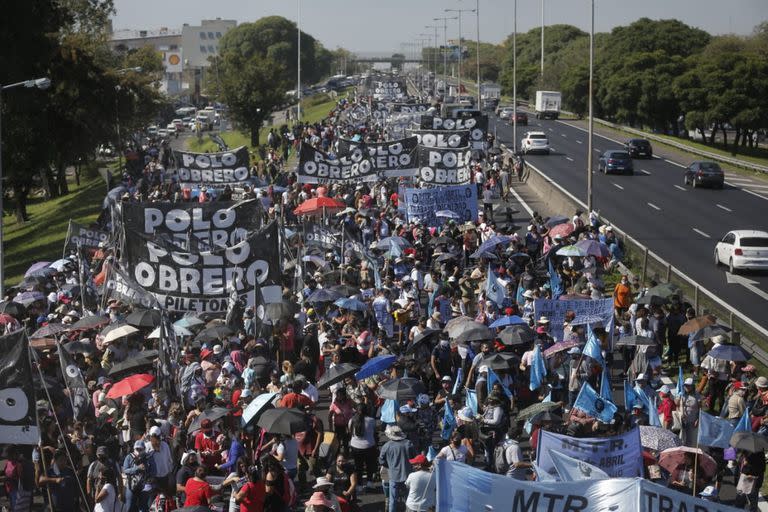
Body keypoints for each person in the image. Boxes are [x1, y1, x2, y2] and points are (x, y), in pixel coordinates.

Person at [378, 425, 415, 512]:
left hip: (393, 475)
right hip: (407, 474)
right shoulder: (408, 443)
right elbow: (414, 458)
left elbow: (381, 460)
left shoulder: (387, 446)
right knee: (408, 498)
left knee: (393, 499)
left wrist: (389, 465)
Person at [349, 402, 378, 490]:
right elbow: (374, 431)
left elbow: (350, 432)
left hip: (356, 446)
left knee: (358, 466)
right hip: (369, 446)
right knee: (370, 464)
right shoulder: (371, 420)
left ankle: (359, 485)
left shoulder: (352, 420)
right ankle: (369, 482)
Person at [122, 440, 155, 512]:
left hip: (144, 486)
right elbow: (125, 470)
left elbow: (153, 471)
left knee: (143, 508)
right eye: (137, 449)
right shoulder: (129, 457)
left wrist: (149, 476)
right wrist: (137, 468)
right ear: (134, 449)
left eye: (141, 449)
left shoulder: (148, 458)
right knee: (129, 507)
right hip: (131, 485)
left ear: (144, 449)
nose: (139, 451)